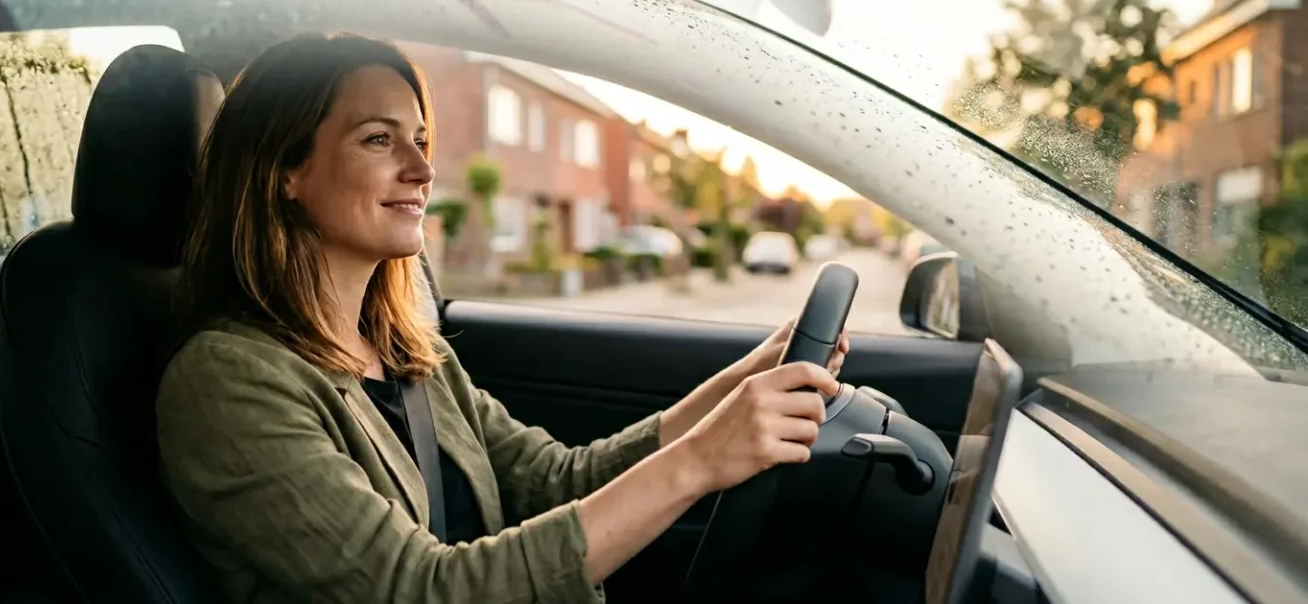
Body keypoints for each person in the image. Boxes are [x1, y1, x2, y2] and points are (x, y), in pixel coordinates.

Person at [156, 32, 849, 604]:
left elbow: (560, 480)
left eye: (421, 139)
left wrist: (737, 386)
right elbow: (421, 590)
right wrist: (699, 462)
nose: (423, 170)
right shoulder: (227, 381)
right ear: (285, 171)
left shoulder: (406, 352)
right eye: (378, 140)